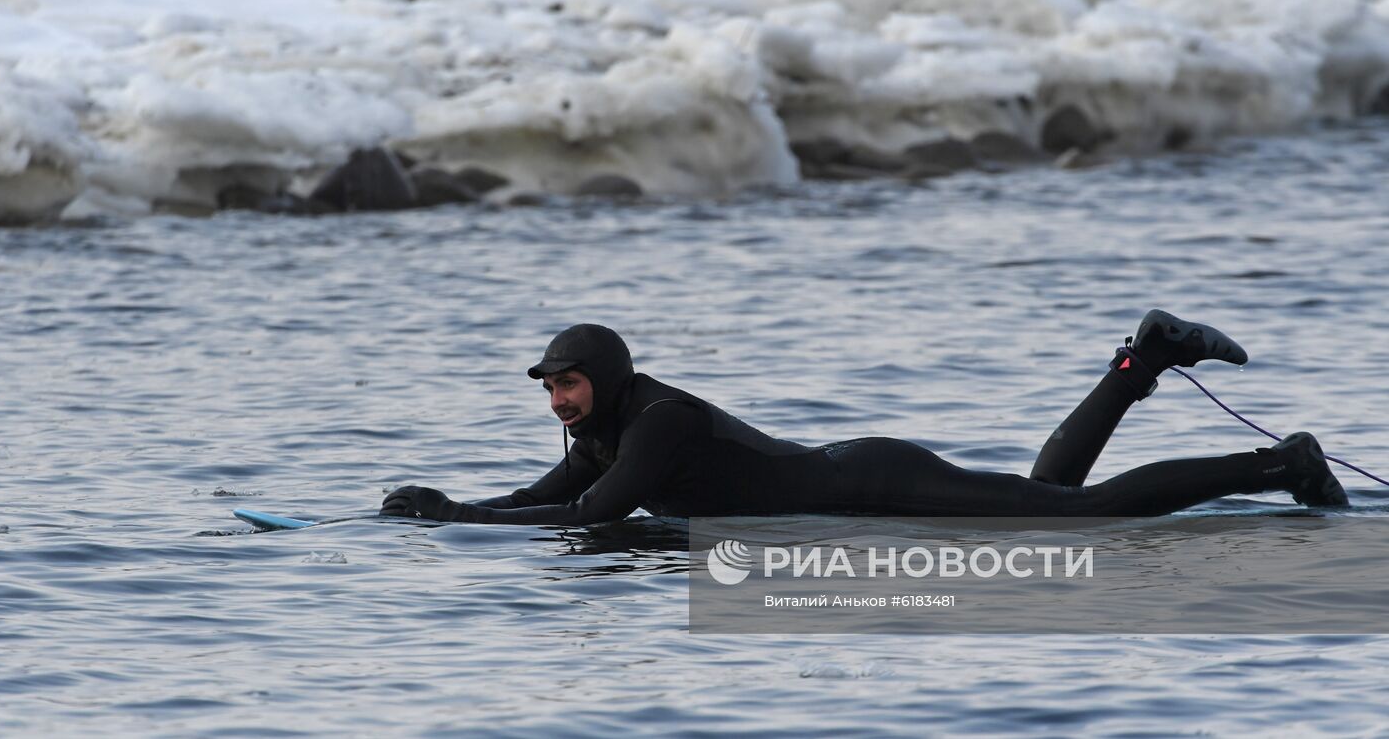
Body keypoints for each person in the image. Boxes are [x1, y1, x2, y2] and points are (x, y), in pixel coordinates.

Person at [380, 312, 1349, 524]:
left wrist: (455, 522)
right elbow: (543, 496)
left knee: (1081, 520)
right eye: (547, 389)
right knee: (1049, 496)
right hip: (858, 479)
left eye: (566, 384)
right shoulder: (598, 431)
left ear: (604, 376)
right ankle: (1140, 362)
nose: (555, 401)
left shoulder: (659, 421)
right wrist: (454, 506)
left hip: (874, 482)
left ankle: (1277, 467)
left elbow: (594, 518)